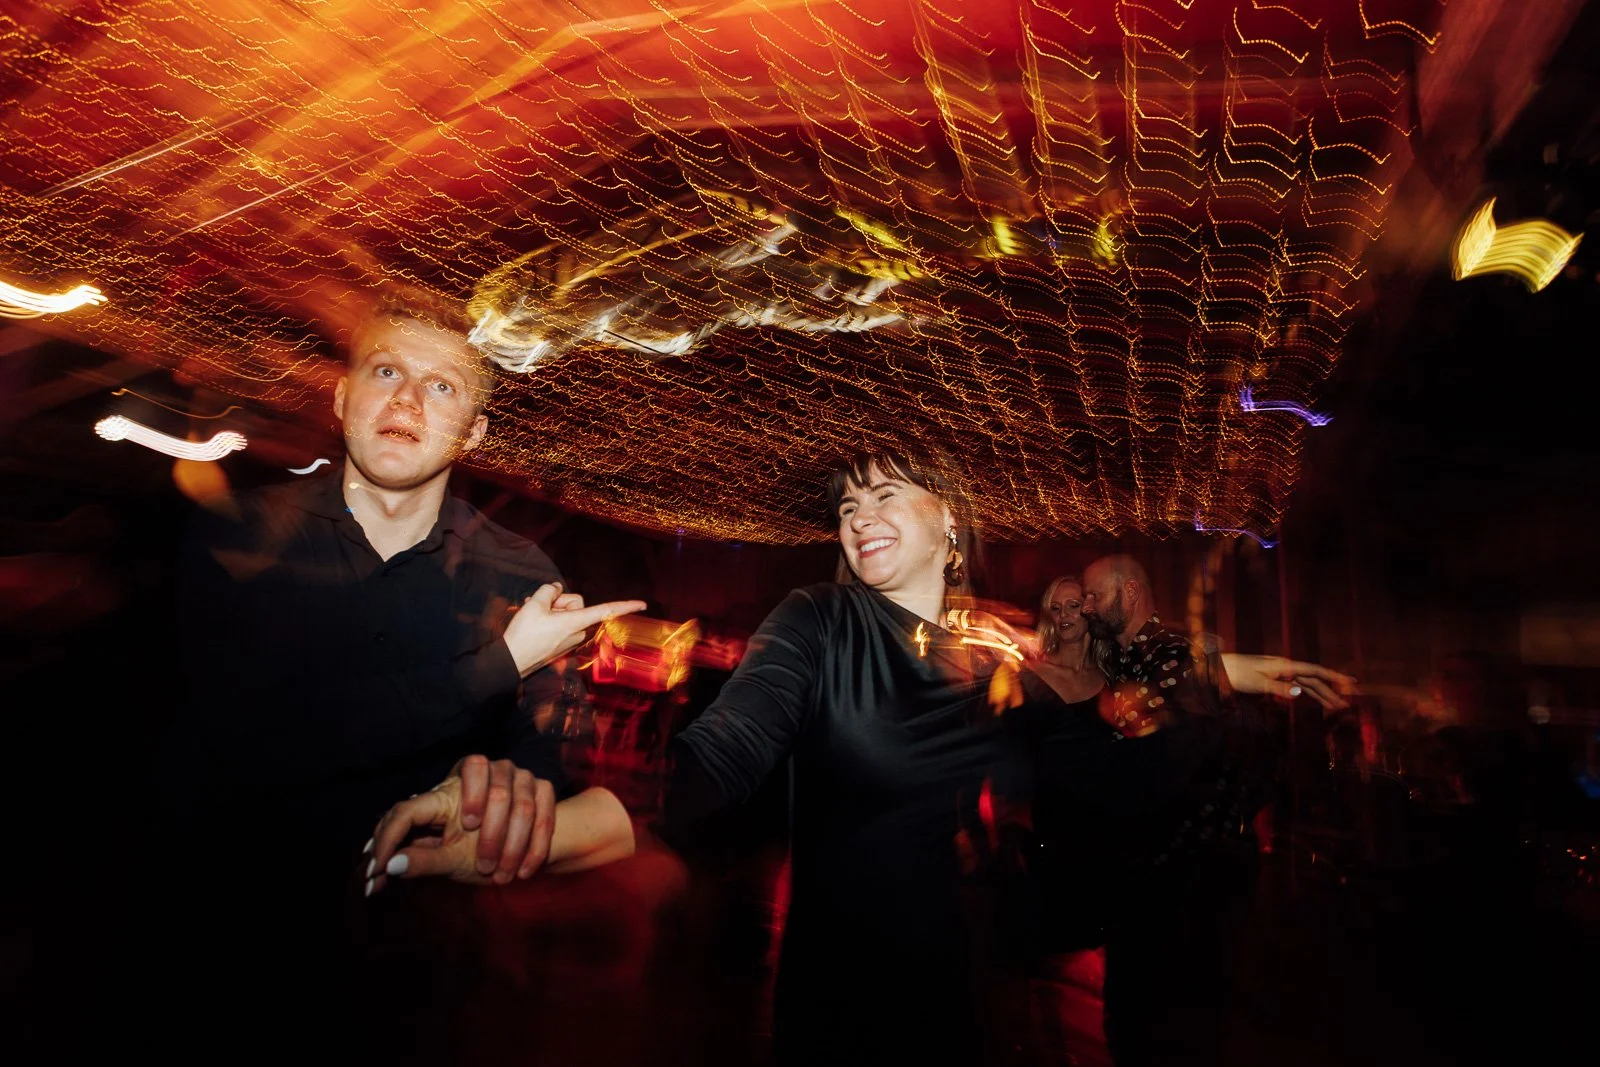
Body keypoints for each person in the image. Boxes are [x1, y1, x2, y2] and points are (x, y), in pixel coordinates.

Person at [369, 454, 1355, 1064]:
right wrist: (537, 828)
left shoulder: (990, 665)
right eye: (847, 503)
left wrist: (1225, 669)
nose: (857, 515)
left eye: (886, 494)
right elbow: (709, 772)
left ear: (949, 520)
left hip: (970, 1009)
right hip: (844, 1009)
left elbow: (1093, 733)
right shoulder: (818, 621)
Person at [154, 288, 644, 1054]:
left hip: (418, 986)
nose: (408, 400)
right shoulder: (242, 535)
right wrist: (500, 664)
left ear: (473, 430)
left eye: (441, 385)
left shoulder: (522, 576)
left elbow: (545, 778)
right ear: (343, 396)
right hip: (221, 956)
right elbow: (261, 743)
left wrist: (511, 791)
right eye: (386, 371)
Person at [1078, 553, 1352, 1065]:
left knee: (1177, 1018)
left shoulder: (1175, 654)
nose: (1087, 605)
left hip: (1187, 875)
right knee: (1138, 1015)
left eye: (1095, 594)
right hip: (1146, 872)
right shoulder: (1127, 655)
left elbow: (1161, 717)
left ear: (1130, 591)